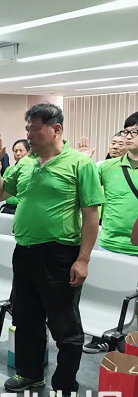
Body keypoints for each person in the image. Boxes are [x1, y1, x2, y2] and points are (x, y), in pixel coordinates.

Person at [0, 103, 104, 397]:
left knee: (64, 324)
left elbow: (91, 216)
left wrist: (83, 259)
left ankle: (65, 386)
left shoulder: (80, 164)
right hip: (24, 251)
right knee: (26, 317)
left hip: (59, 254)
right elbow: (0, 193)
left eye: (35, 129)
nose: (29, 135)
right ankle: (30, 373)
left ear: (56, 129)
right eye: (27, 129)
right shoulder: (25, 164)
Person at [83, 117, 138, 353]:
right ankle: (101, 336)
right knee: (107, 297)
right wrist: (84, 160)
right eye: (127, 132)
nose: (128, 136)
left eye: (135, 132)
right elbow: (82, 185)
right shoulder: (107, 167)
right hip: (111, 244)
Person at [0, 139, 31, 214]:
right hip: (8, 207)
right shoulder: (9, 169)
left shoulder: (32, 169)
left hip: (23, 208)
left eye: (21, 150)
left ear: (29, 152)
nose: (18, 153)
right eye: (15, 151)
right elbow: (1, 188)